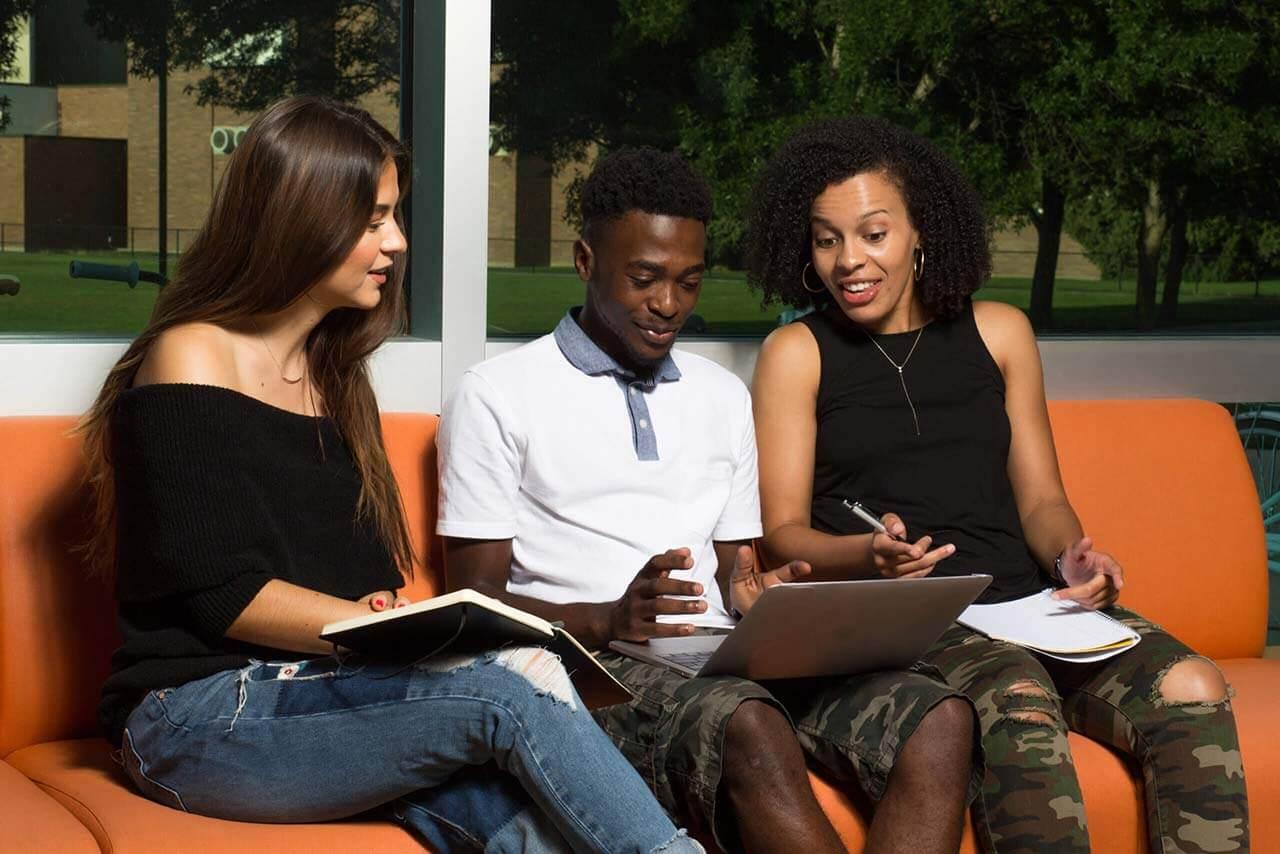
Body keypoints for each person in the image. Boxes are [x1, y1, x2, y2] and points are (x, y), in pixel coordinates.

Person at [78, 96, 704, 854]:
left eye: (394, 216)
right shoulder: (192, 355)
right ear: (302, 217)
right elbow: (224, 596)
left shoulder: (333, 379)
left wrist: (383, 612)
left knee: (526, 820)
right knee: (514, 680)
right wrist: (374, 630)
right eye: (374, 219)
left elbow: (357, 582)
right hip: (195, 718)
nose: (396, 242)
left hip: (315, 695)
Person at [438, 146, 981, 854]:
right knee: (748, 723)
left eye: (688, 282)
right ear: (584, 260)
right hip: (593, 673)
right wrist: (604, 618)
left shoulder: (721, 395)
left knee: (939, 719)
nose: (668, 306)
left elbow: (736, 572)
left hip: (723, 658)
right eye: (644, 279)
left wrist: (762, 592)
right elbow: (473, 610)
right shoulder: (497, 394)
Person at [747, 116, 1250, 854]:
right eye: (828, 240)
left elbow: (1043, 500)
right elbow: (782, 533)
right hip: (915, 619)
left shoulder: (1000, 332)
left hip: (1030, 603)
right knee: (1017, 702)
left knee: (1193, 687)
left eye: (873, 234)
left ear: (921, 231)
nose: (850, 261)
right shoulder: (797, 352)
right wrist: (868, 556)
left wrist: (1069, 560)